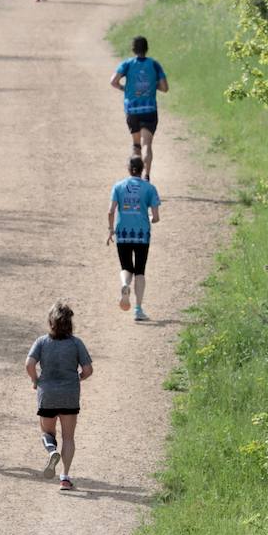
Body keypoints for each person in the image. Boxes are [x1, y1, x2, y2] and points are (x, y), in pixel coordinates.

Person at [25, 301, 92, 492]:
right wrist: (77, 378)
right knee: (69, 437)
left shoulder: (41, 342)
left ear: (50, 322)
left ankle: (52, 450)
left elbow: (29, 364)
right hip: (70, 395)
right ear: (70, 323)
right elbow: (88, 370)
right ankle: (65, 477)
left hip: (47, 394)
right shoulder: (76, 343)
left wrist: (35, 380)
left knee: (47, 433)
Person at [108, 155, 161, 322]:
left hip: (122, 233)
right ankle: (138, 309)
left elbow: (110, 211)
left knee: (126, 267)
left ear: (128, 169)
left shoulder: (118, 186)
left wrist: (111, 230)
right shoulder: (150, 188)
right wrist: (151, 218)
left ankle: (125, 284)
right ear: (142, 169)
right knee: (140, 271)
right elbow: (156, 216)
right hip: (142, 234)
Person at [110, 34, 169, 179]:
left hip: (132, 110)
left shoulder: (127, 64)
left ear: (133, 49)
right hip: (149, 110)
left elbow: (113, 81)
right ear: (147, 49)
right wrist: (152, 86)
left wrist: (125, 89)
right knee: (147, 144)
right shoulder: (154, 64)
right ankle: (147, 176)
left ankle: (136, 177)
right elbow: (165, 87)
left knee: (136, 145)